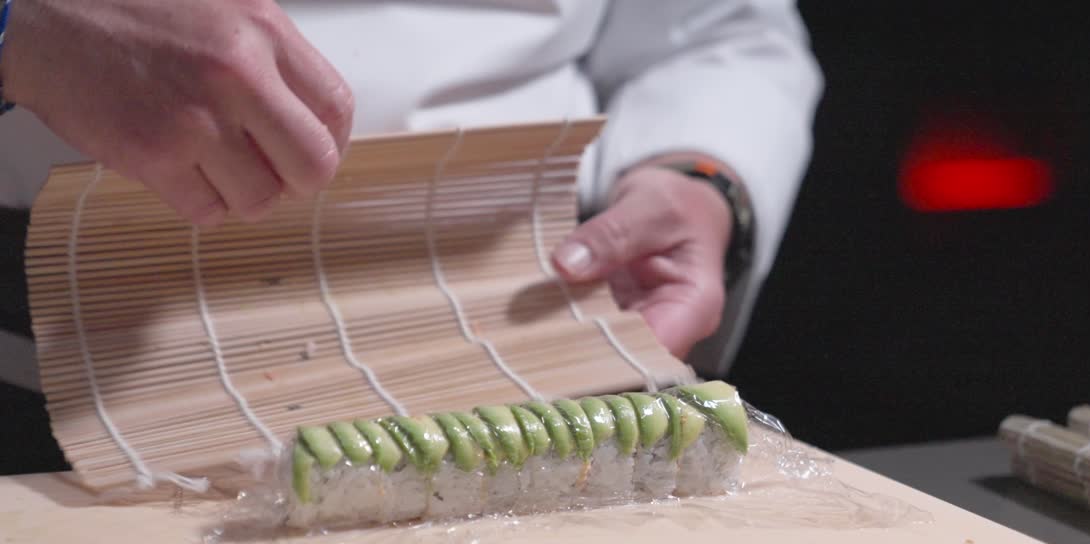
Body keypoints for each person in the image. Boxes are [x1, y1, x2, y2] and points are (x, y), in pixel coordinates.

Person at [0, 0, 822, 379]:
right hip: (58, 374)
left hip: (530, 347)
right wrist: (19, 28)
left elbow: (722, 32)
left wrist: (702, 174)